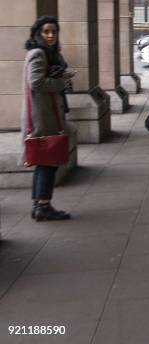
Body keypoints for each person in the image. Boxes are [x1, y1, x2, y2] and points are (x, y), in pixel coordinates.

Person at [19, 16, 74, 222]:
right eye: (46, 32)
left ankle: (39, 205)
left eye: (54, 31)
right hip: (42, 116)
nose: (50, 35)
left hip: (46, 114)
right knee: (47, 162)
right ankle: (43, 206)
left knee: (45, 161)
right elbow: (36, 82)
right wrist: (61, 82)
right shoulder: (38, 54)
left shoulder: (48, 54)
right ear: (37, 34)